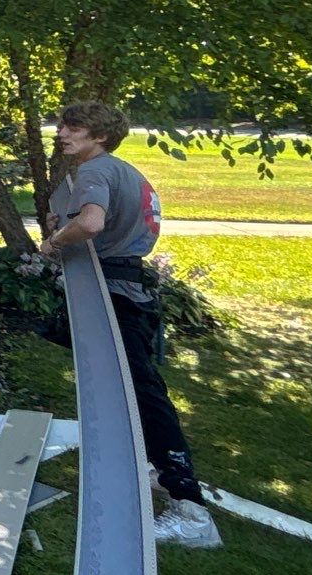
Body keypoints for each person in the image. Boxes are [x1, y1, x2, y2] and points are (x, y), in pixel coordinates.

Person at [39, 101, 222, 549]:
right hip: (126, 288)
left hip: (114, 293)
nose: (62, 132)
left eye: (74, 127)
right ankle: (152, 470)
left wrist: (54, 240)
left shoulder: (94, 172)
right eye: (63, 125)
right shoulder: (125, 172)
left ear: (99, 136)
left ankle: (190, 510)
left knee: (141, 391)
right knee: (122, 386)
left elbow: (92, 223)